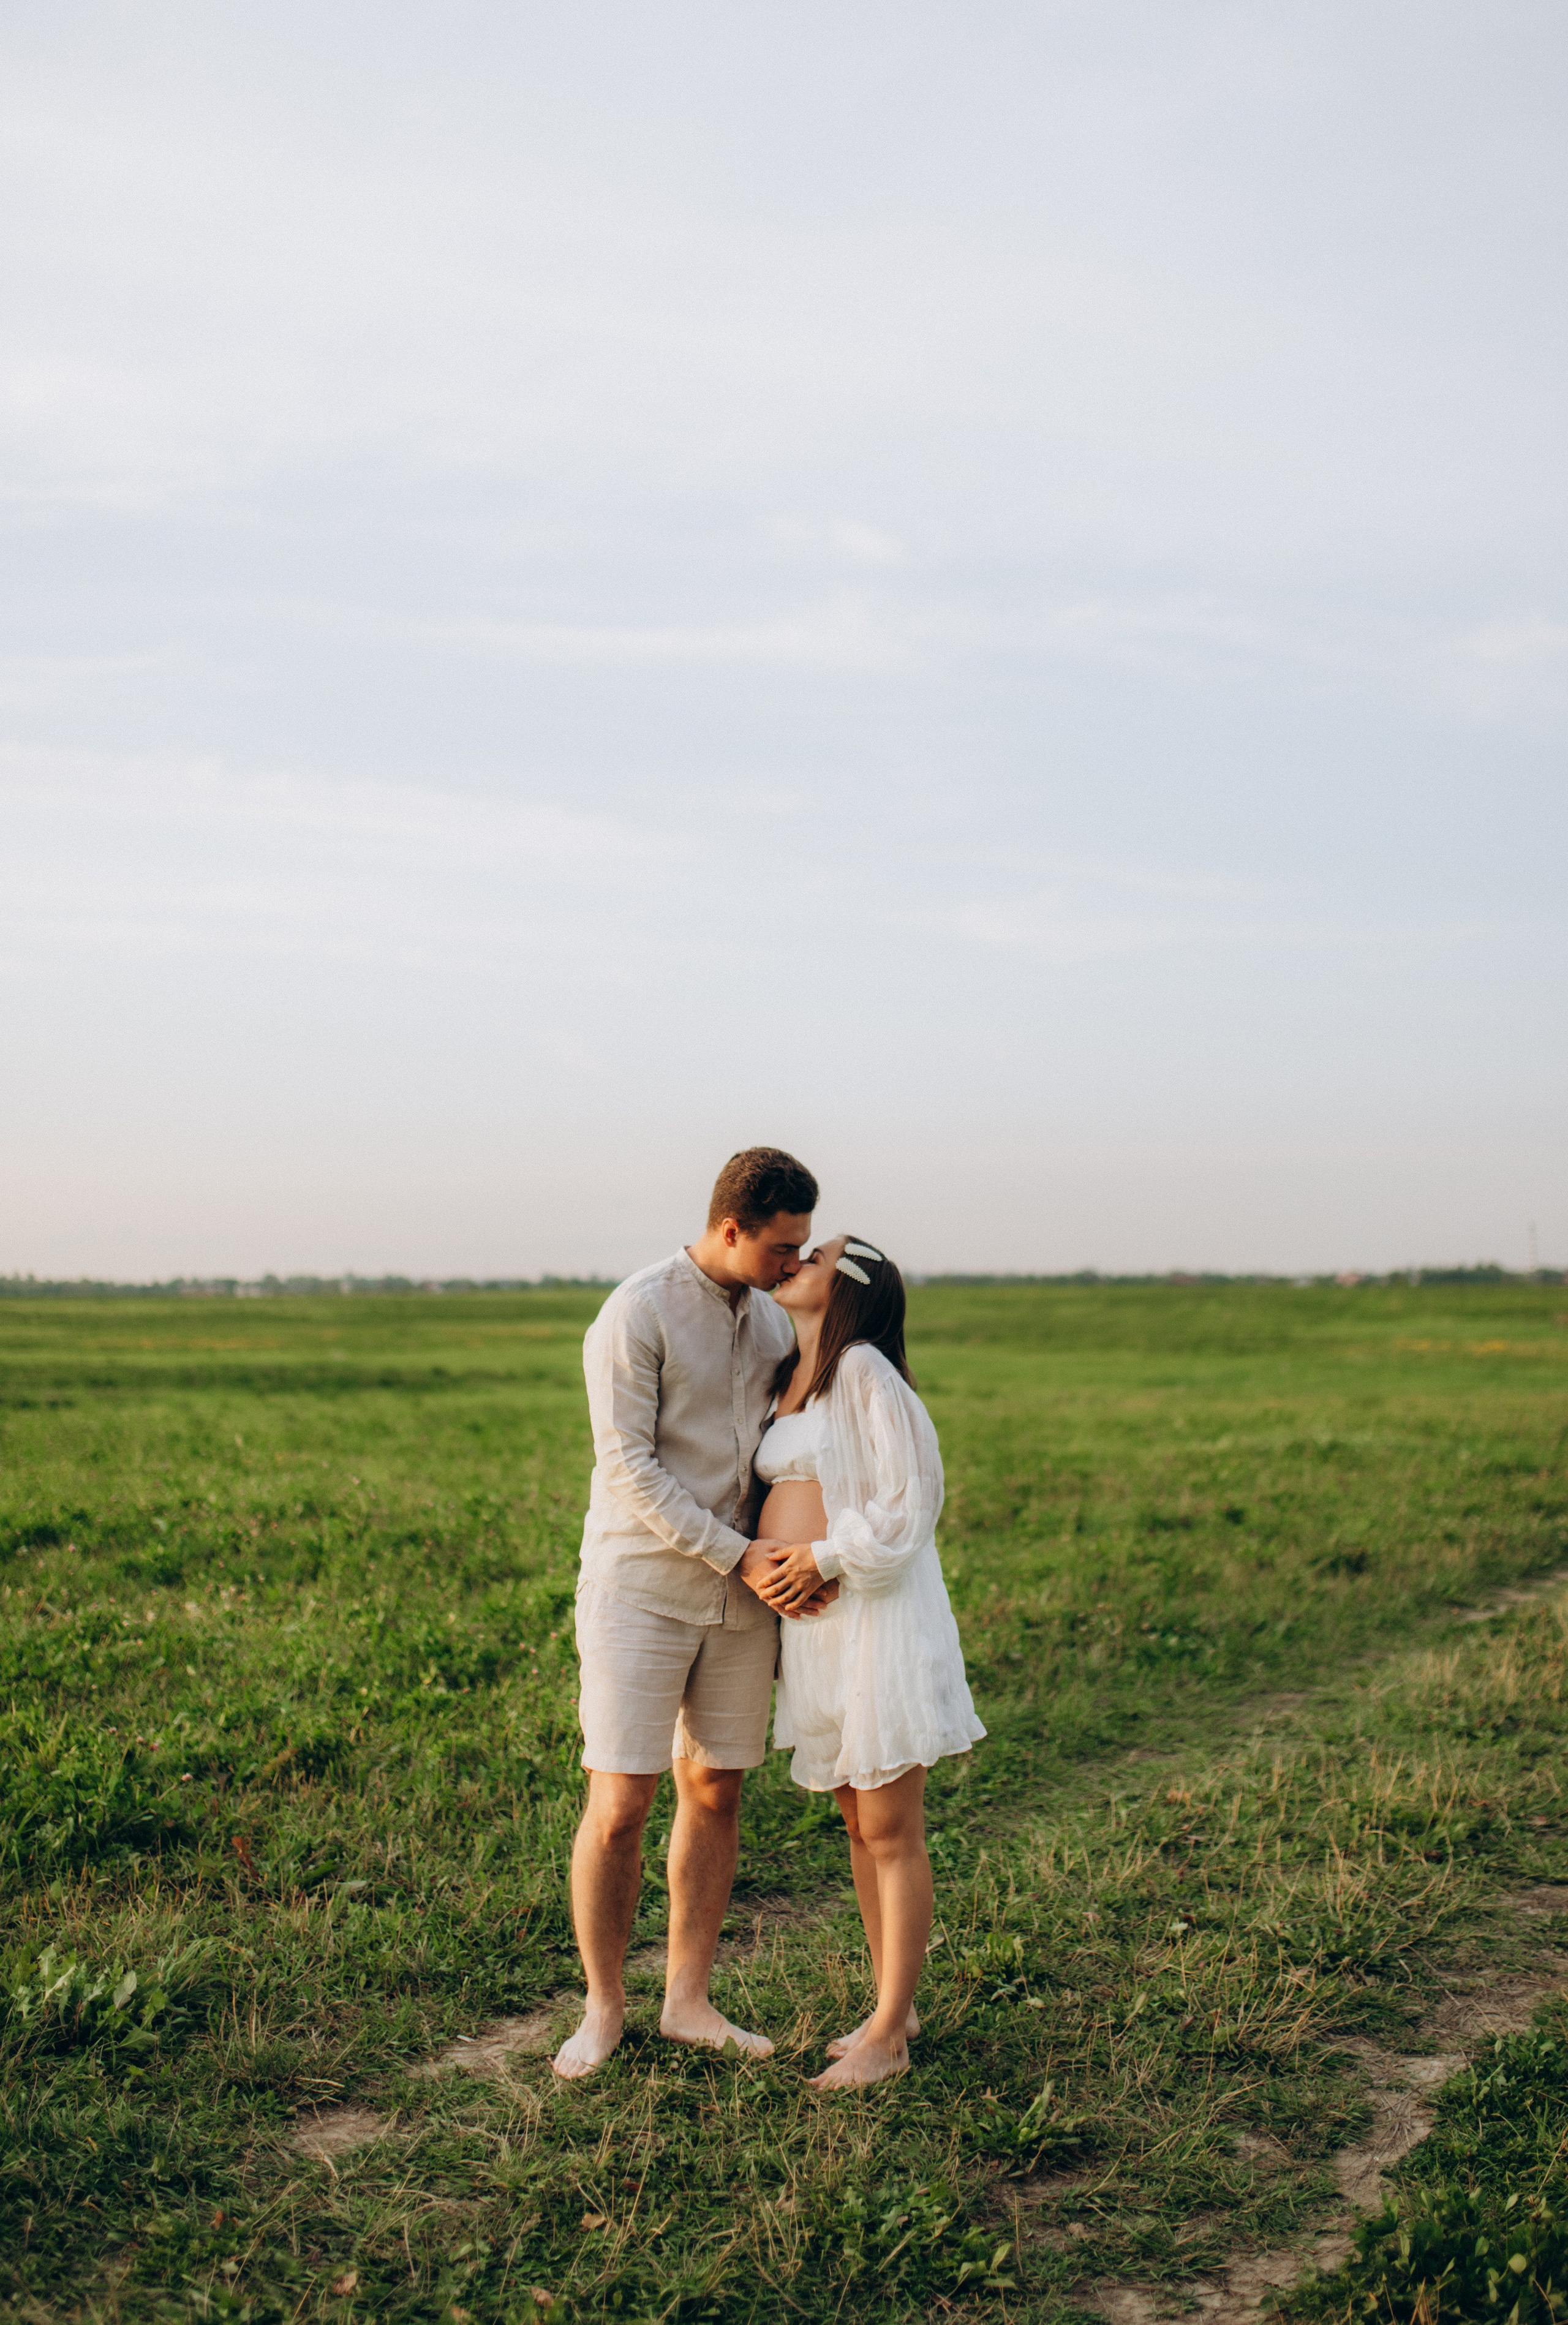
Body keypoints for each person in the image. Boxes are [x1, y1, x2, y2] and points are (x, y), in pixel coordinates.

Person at [552, 1145, 822, 2079]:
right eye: (782, 1247)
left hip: (744, 1599)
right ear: (731, 1227)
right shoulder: (638, 1311)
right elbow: (628, 1469)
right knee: (621, 1801)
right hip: (640, 1589)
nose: (795, 1263)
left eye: (804, 1247)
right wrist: (740, 1554)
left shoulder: (775, 1327)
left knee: (716, 1790)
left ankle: (688, 2002)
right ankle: (602, 2009)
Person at [752, 1233, 985, 2090]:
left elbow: (911, 1501)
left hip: (872, 1620)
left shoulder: (865, 1374)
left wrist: (821, 1559)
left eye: (812, 1255)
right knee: (857, 1823)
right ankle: (896, 2004)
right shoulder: (790, 1379)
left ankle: (889, 2034)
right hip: (817, 1631)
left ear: (849, 1287)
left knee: (890, 1827)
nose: (793, 1259)